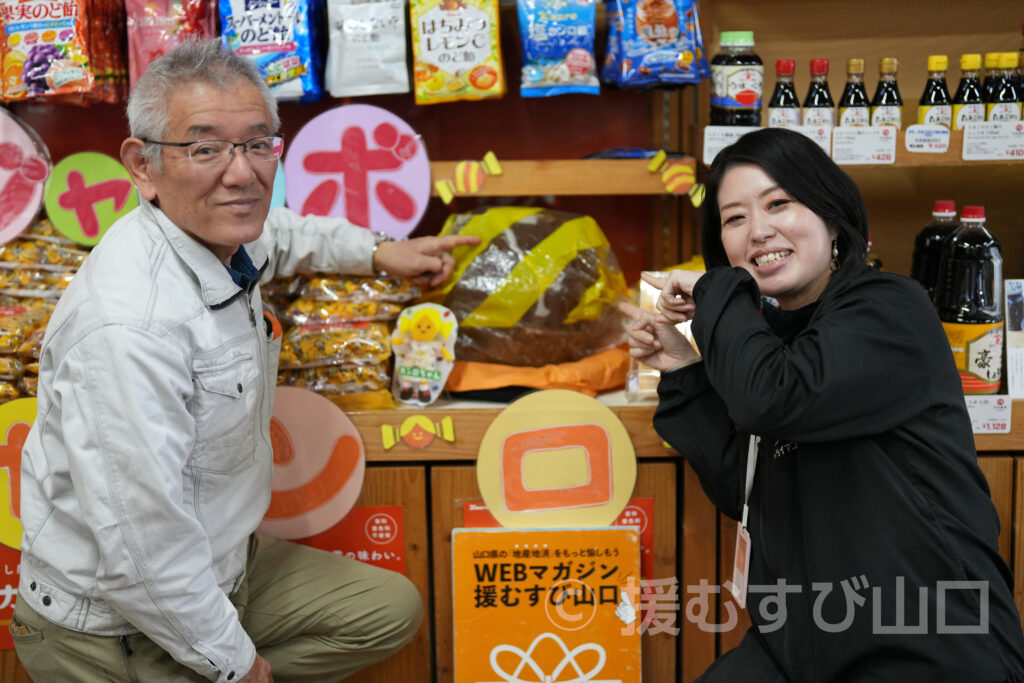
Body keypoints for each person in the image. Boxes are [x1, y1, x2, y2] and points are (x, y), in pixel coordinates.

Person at [10, 39, 479, 683]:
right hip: (115, 620)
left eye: (258, 144)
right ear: (142, 165)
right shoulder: (131, 327)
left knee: (387, 610)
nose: (242, 173)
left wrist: (379, 251)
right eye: (204, 148)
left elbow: (281, 233)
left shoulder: (216, 233)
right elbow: (142, 550)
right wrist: (235, 666)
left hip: (219, 560)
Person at [621, 127, 1024, 682]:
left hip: (923, 642)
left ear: (833, 219)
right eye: (734, 218)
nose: (758, 231)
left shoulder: (889, 309)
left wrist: (719, 290)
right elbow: (746, 484)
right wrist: (684, 370)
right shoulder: (772, 339)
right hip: (804, 641)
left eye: (779, 203)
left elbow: (776, 398)